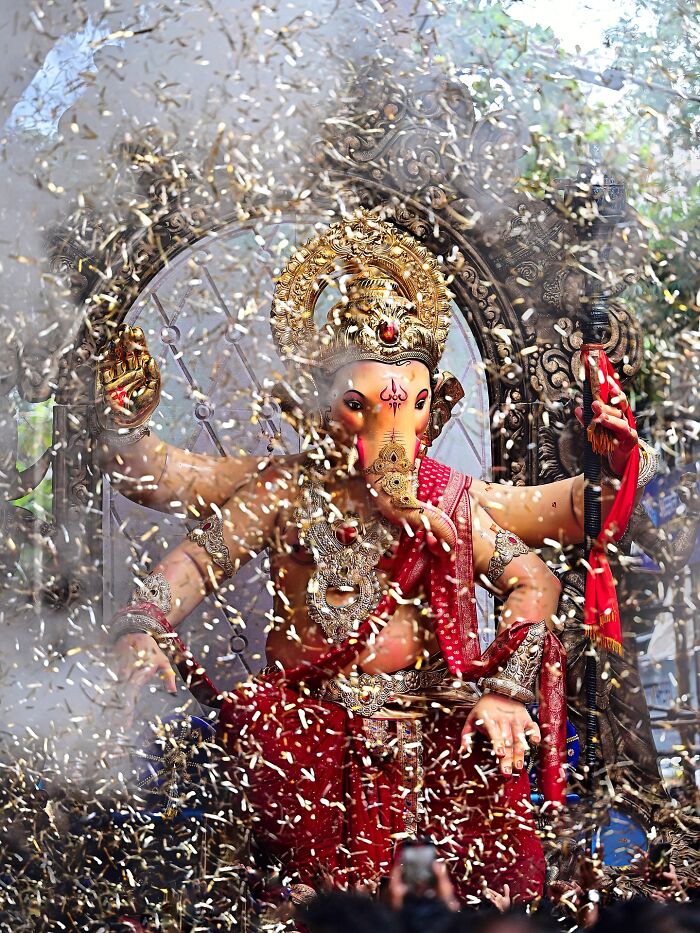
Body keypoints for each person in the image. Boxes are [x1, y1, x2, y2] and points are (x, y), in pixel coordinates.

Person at [97, 213, 644, 904]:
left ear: (433, 411)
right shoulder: (284, 489)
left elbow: (533, 571)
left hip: (421, 745)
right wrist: (143, 622)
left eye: (409, 408)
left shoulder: (447, 500)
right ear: (317, 409)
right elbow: (195, 557)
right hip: (300, 743)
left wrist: (506, 690)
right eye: (358, 407)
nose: (391, 435)